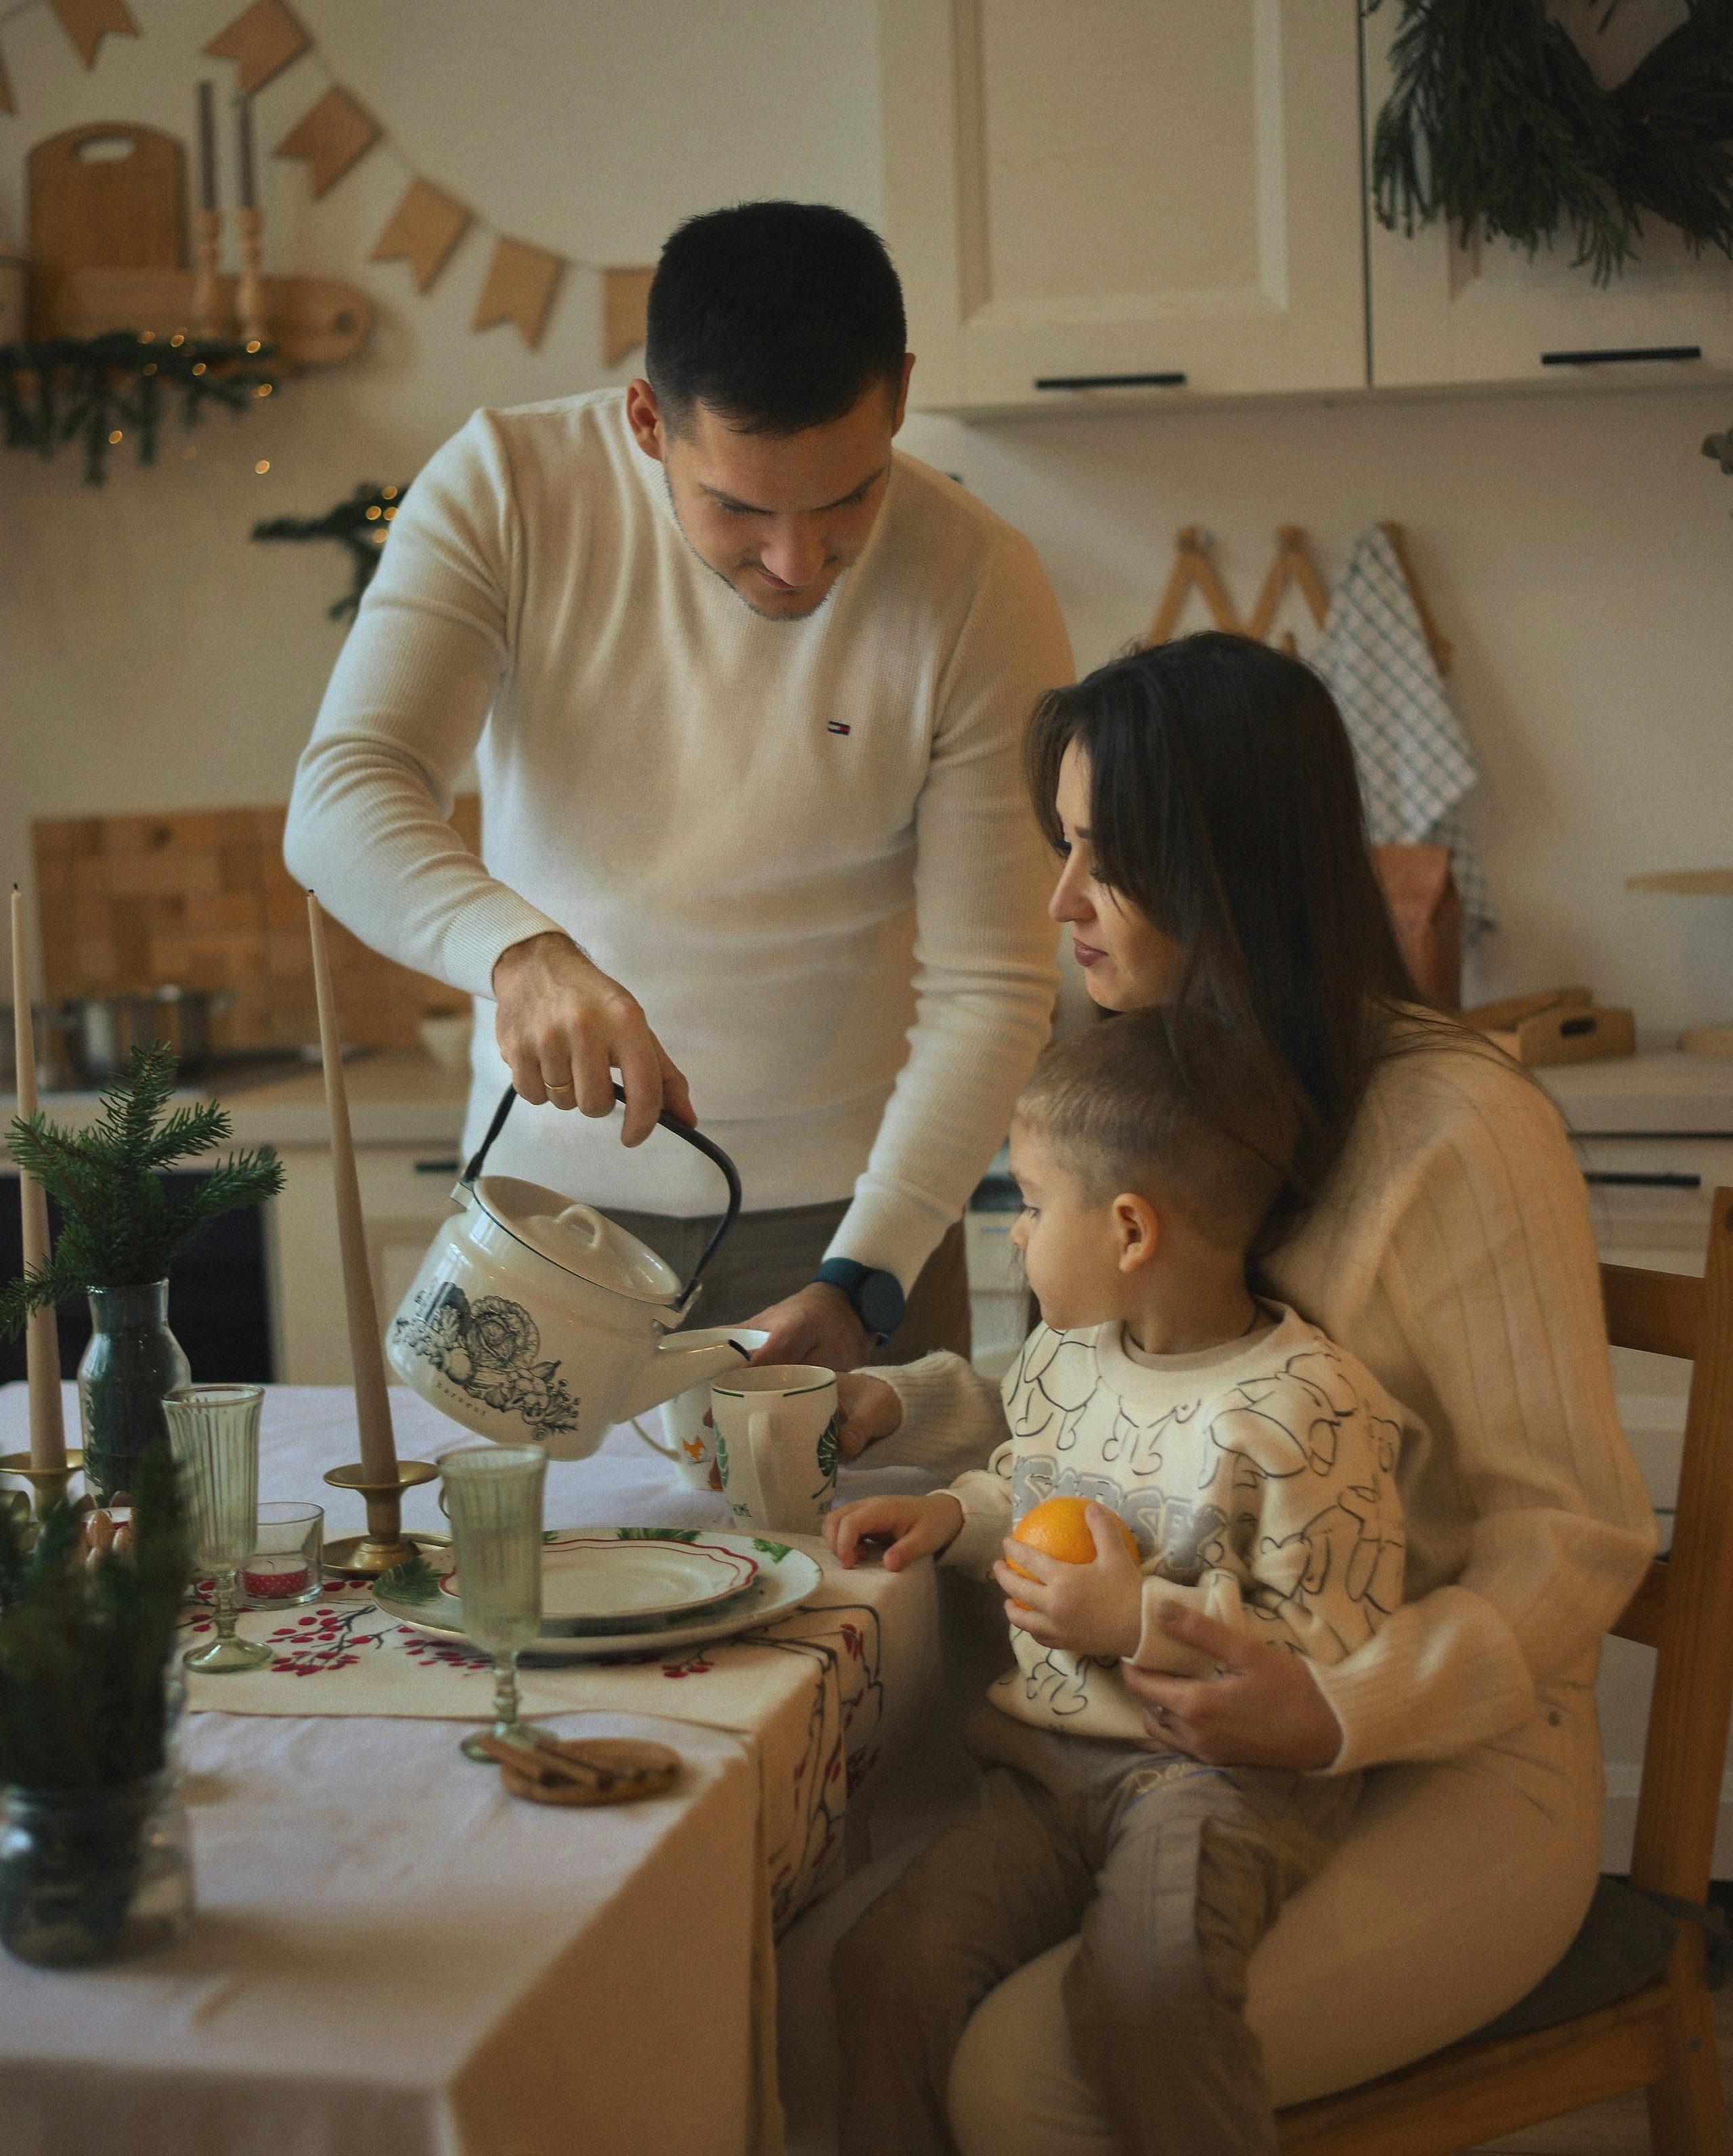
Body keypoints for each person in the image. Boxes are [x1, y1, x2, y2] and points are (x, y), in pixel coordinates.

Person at [832, 632, 1657, 2152]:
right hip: (1158, 1747)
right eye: (1060, 845)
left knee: (1027, 2080)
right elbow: (1115, 1384)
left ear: (1227, 866)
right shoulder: (1157, 1077)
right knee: (856, 1970)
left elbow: (1578, 1532)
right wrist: (903, 1408)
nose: (1060, 901)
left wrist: (1332, 1711)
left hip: (1442, 1752)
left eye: (1106, 858)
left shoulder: (1456, 1126)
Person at [284, 201, 1071, 1373]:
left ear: (900, 396)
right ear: (648, 420)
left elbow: (992, 985)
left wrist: (871, 1268)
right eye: (741, 507)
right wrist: (518, 952)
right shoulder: (508, 485)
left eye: (848, 496)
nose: (797, 562)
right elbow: (344, 791)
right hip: (545, 1223)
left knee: (876, 1561)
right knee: (520, 1560)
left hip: (854, 1229)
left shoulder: (979, 583)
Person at [826, 1008, 1410, 2155]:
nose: (1015, 1236)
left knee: (1148, 1994)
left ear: (1130, 1229)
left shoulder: (1308, 1408)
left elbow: (1331, 1648)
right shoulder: (1063, 1359)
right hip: (1048, 1768)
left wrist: (1133, 1622)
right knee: (886, 1969)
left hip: (1218, 1780)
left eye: (1032, 1207)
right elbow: (1029, 1490)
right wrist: (952, 1513)